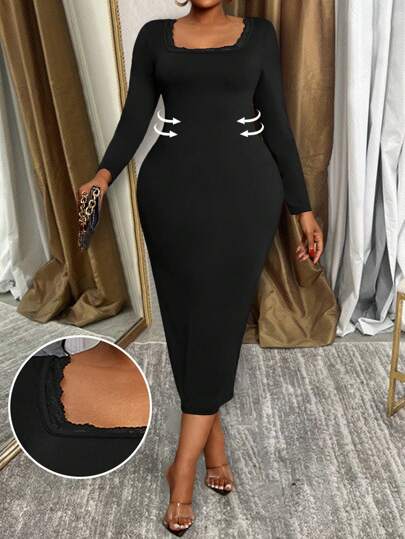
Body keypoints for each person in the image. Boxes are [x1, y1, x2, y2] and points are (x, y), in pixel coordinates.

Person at [79, 0, 324, 534]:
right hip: (170, 194)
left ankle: (182, 470)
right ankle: (214, 451)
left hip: (246, 195)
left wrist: (302, 209)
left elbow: (278, 124)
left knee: (218, 321)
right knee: (187, 323)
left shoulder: (259, 34)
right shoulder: (153, 37)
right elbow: (135, 115)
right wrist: (102, 175)